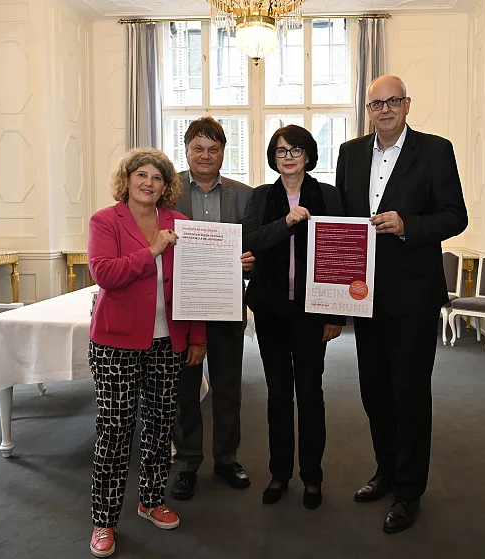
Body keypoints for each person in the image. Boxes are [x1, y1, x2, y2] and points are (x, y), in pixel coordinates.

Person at [334, 76, 467, 533]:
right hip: (363, 295)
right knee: (374, 392)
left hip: (413, 295)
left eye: (393, 101)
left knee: (409, 393)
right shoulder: (349, 154)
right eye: (376, 103)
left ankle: (409, 491)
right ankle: (385, 471)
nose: (385, 109)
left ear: (407, 104)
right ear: (367, 109)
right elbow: (343, 222)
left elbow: (455, 216)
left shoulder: (435, 150)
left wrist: (408, 223)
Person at [87, 147, 207, 558]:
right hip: (115, 342)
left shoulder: (182, 223)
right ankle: (104, 520)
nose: (149, 183)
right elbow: (104, 273)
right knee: (115, 431)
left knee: (160, 428)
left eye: (157, 177)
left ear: (166, 185)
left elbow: (196, 286)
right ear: (128, 179)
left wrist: (197, 337)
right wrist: (153, 250)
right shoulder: (105, 220)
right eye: (141, 174)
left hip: (168, 341)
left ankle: (151, 499)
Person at [242, 125, 346, 510]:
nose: (288, 156)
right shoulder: (261, 197)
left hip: (312, 313)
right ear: (273, 157)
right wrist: (284, 223)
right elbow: (249, 242)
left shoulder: (328, 195)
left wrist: (337, 314)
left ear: (308, 156)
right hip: (270, 309)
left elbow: (340, 254)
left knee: (310, 393)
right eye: (281, 150)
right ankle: (280, 473)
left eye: (296, 150)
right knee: (278, 395)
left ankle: (312, 476)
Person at [170, 117, 255, 500]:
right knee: (184, 390)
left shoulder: (246, 195)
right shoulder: (165, 193)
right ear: (186, 150)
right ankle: (188, 462)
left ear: (224, 152)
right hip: (183, 309)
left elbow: (256, 244)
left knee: (227, 387)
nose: (205, 156)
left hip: (226, 305)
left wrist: (252, 261)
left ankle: (226, 459)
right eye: (198, 148)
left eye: (214, 148)